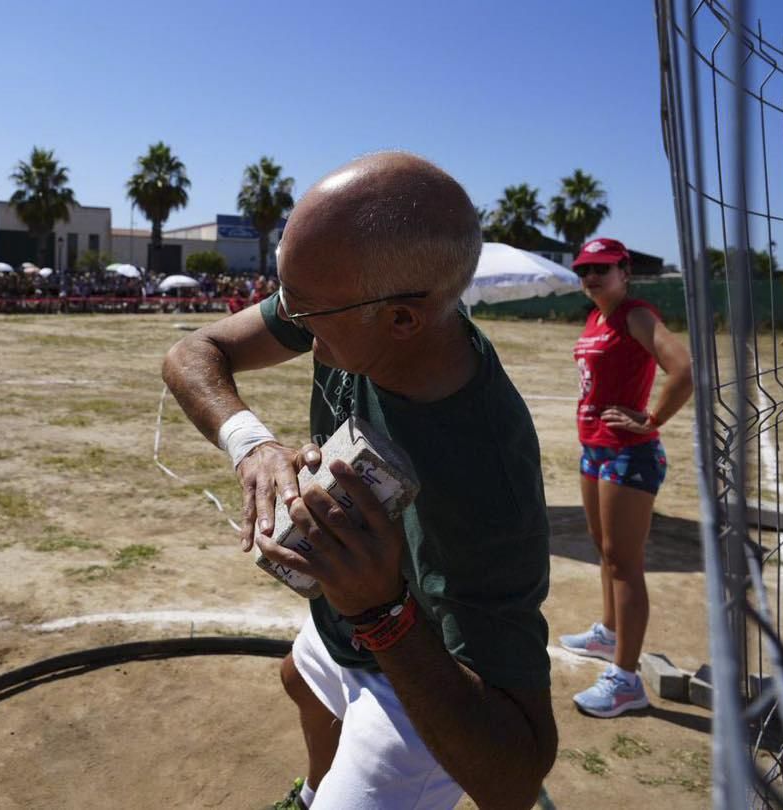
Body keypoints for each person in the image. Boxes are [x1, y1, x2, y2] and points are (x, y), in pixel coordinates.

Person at [163, 153, 556, 810]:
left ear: (402, 319)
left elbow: (515, 776)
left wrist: (383, 611)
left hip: (423, 677)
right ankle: (314, 790)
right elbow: (191, 354)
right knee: (302, 681)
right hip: (352, 621)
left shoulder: (487, 485)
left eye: (303, 307)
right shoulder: (358, 299)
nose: (287, 319)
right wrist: (252, 444)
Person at [558, 237, 692, 718]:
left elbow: (684, 370)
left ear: (624, 271)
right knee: (606, 551)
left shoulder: (636, 313)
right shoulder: (596, 318)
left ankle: (626, 679)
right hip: (595, 449)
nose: (590, 277)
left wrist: (652, 419)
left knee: (625, 561)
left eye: (601, 268)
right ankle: (608, 633)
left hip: (628, 454)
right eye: (583, 270)